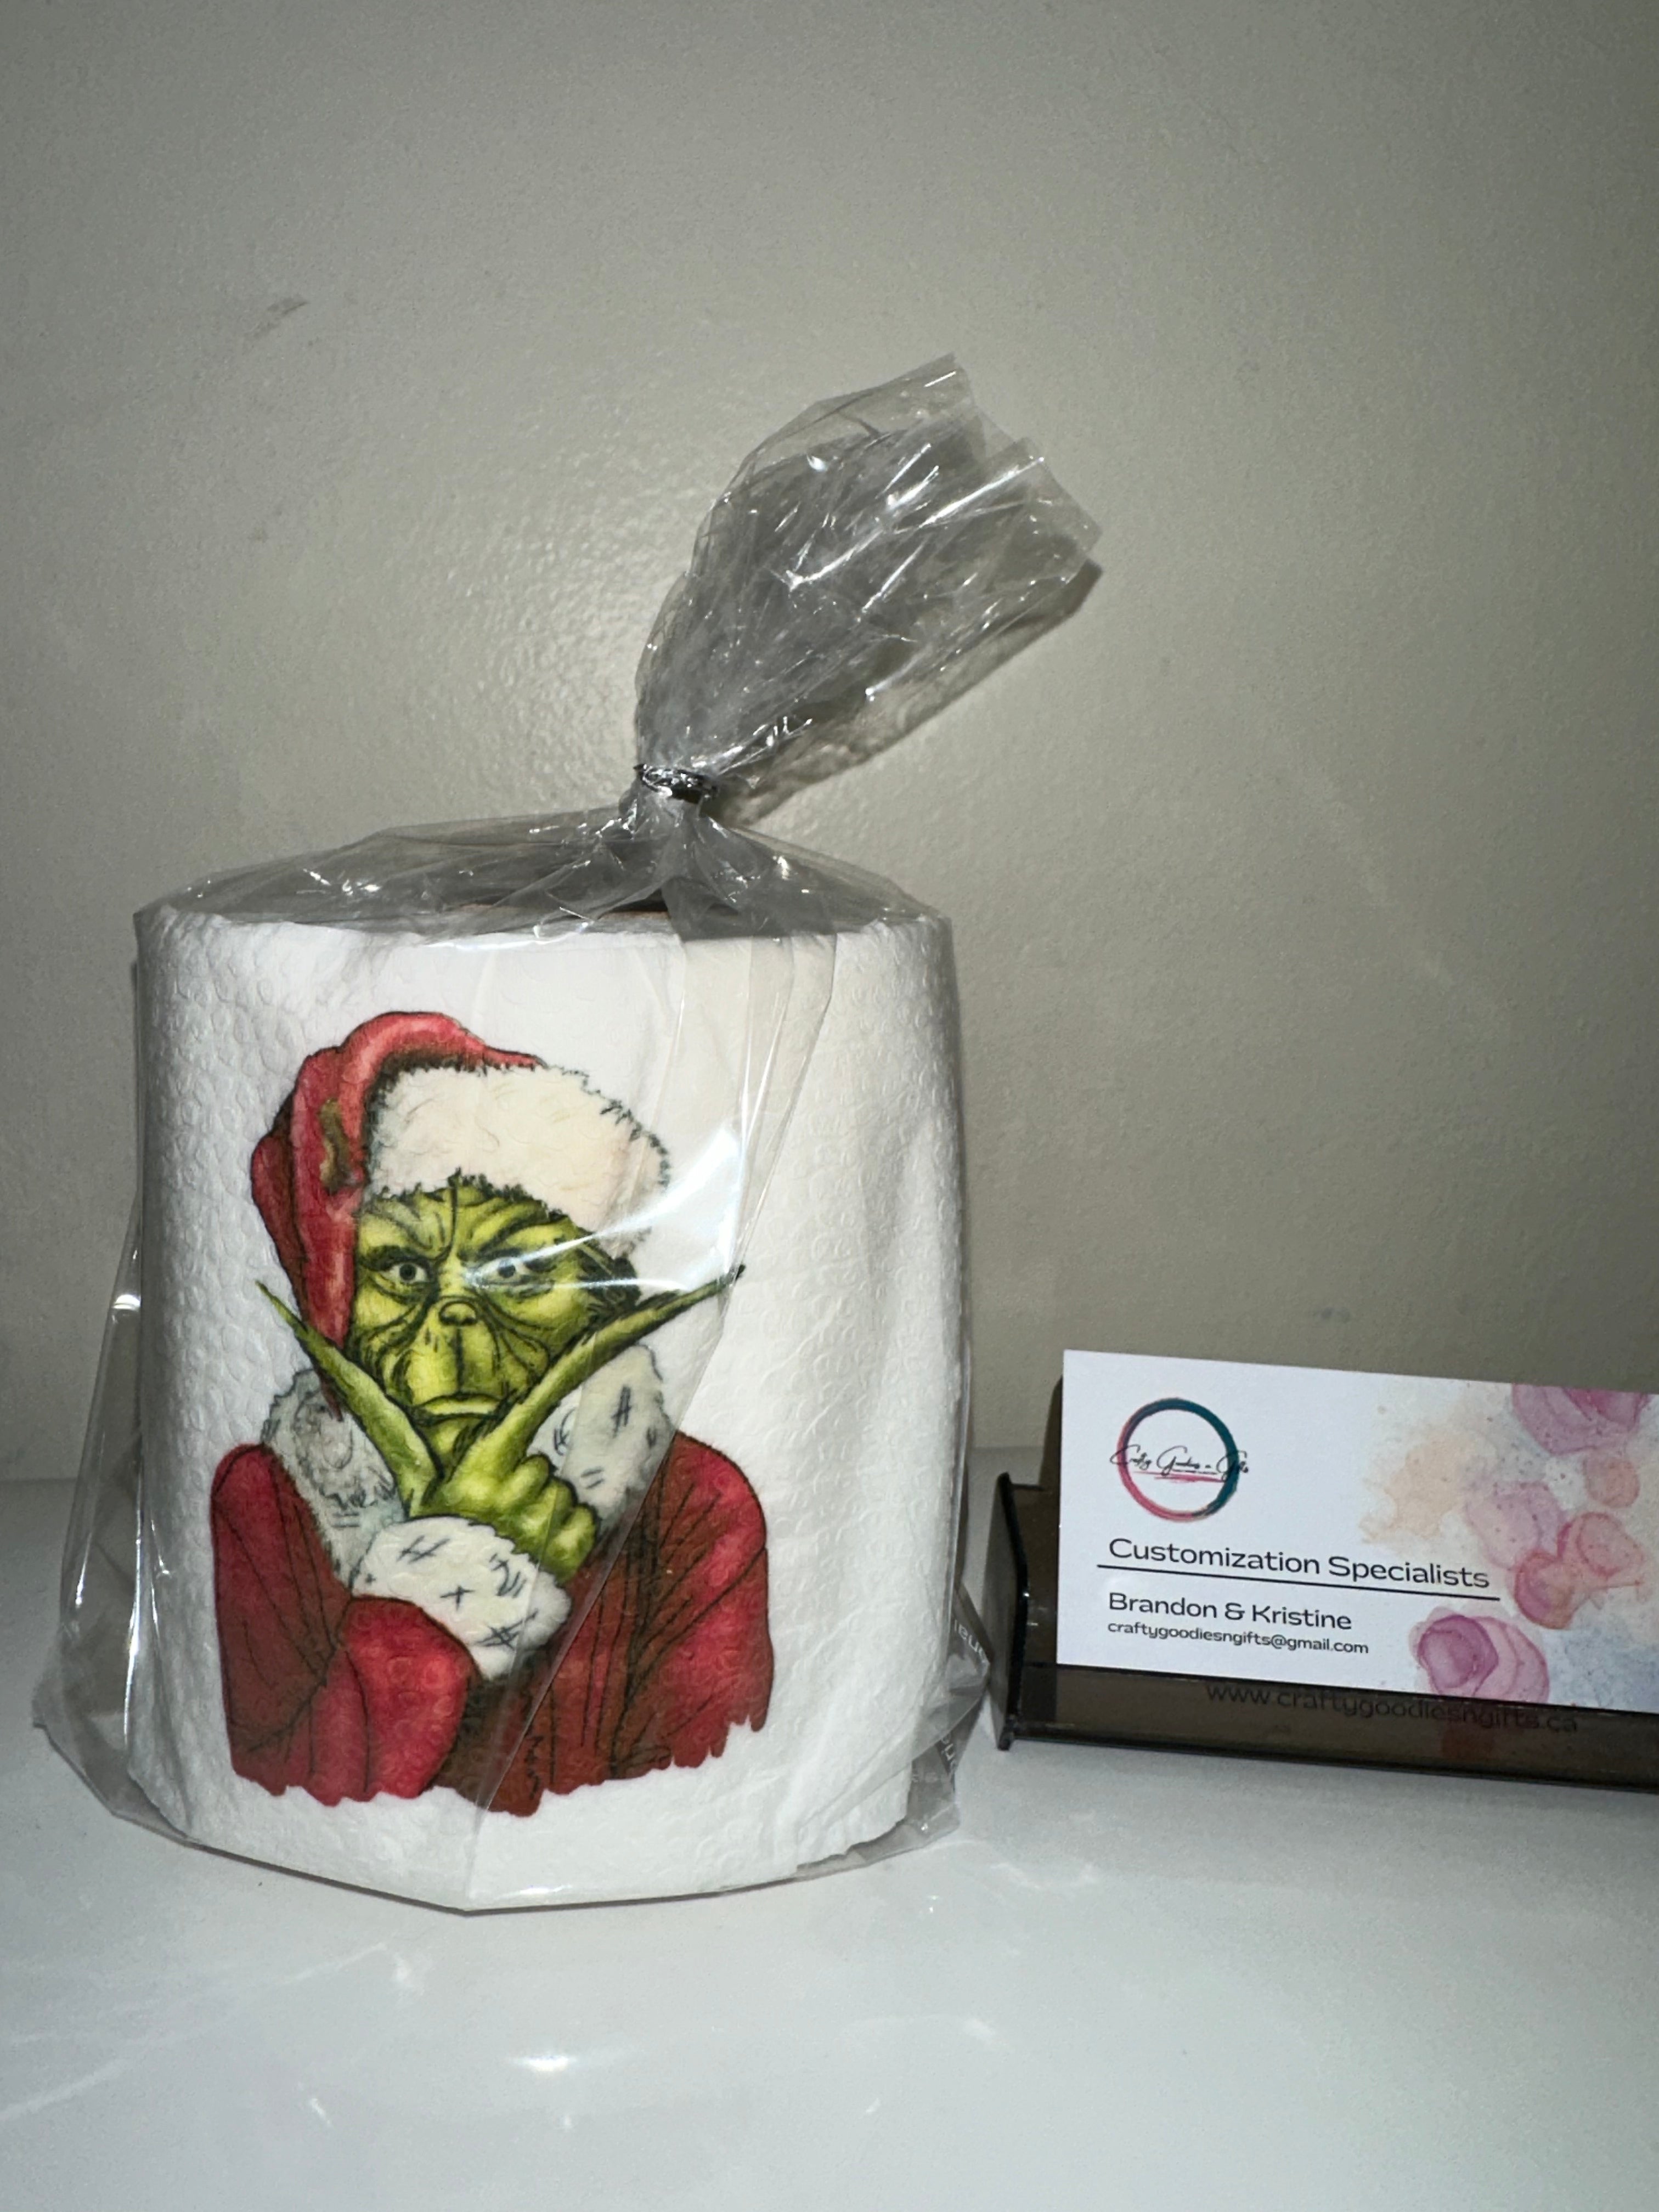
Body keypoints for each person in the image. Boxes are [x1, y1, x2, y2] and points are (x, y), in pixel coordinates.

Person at [211, 1010, 771, 1814]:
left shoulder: (694, 1508)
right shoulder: (269, 1503)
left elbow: (707, 1799)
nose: (455, 1320)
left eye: (516, 1270)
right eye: (402, 1270)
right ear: (339, 1297)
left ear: (601, 1299)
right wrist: (446, 1587)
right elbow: (277, 1794)